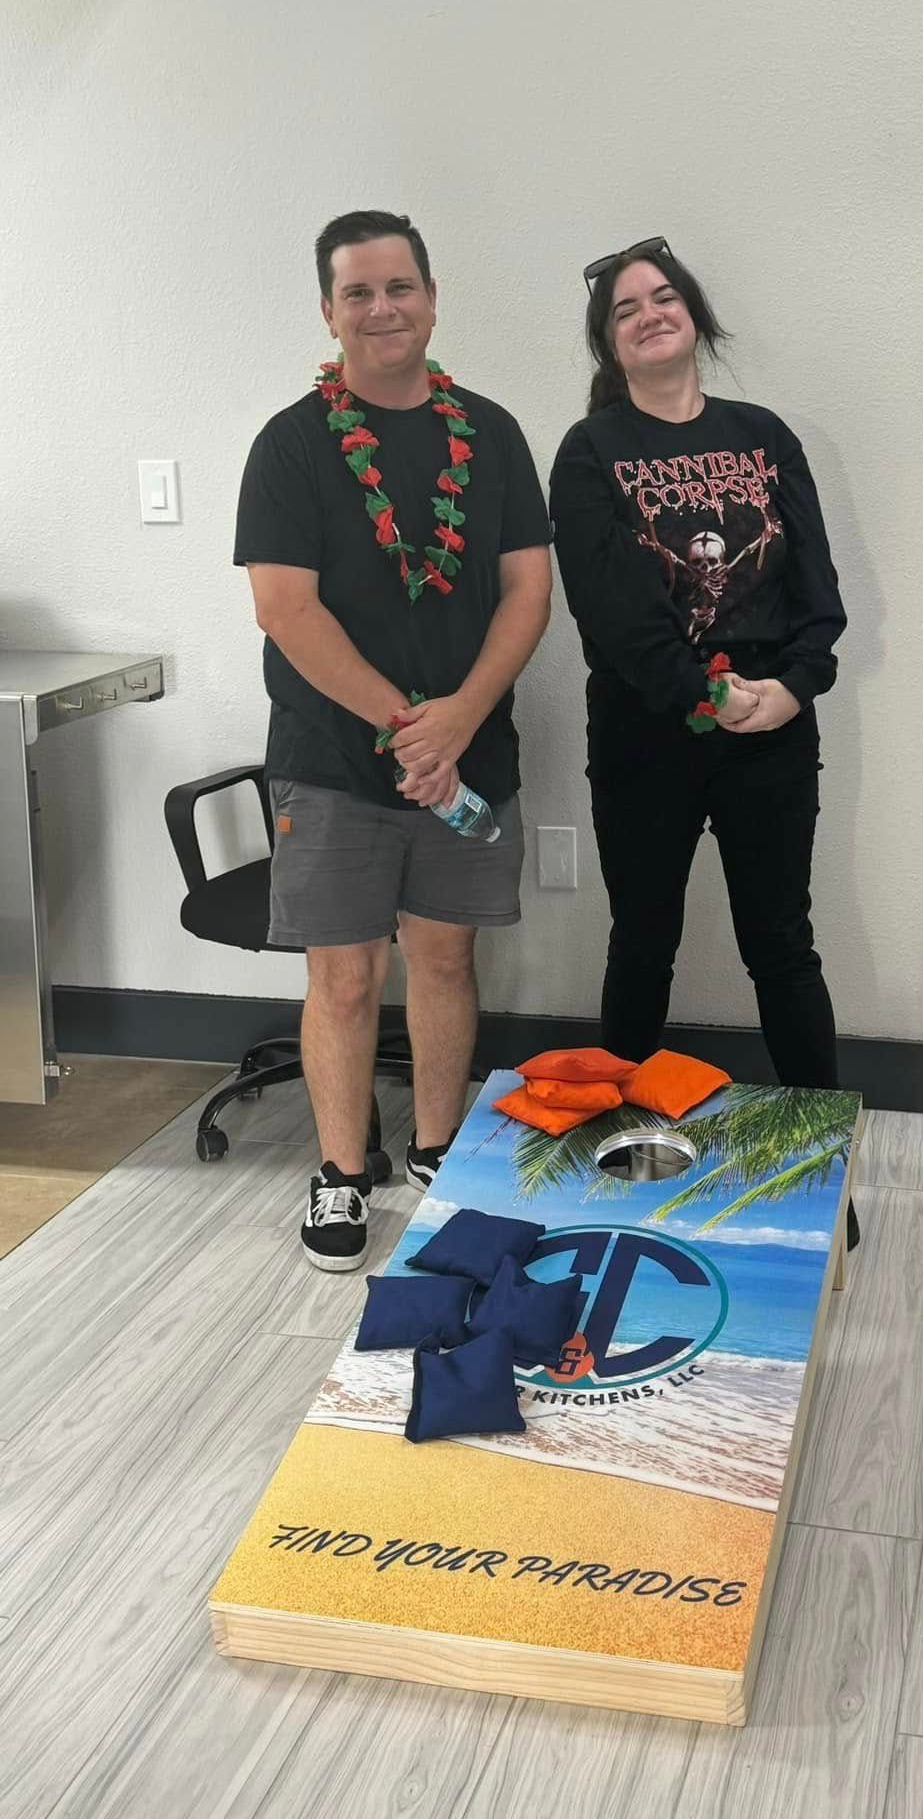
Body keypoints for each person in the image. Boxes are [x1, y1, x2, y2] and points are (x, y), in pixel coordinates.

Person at [235, 211, 551, 1271]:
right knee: (345, 977)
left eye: (400, 286)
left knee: (448, 956)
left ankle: (438, 1145)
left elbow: (527, 588)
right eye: (359, 292)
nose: (383, 308)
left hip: (472, 751)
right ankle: (339, 1171)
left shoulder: (492, 432)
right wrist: (407, 724)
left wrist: (459, 717)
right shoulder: (290, 443)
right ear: (329, 311)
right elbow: (286, 608)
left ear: (431, 294)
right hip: (334, 762)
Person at [550, 236, 848, 1118]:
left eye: (663, 296)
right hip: (648, 725)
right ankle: (614, 1160)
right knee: (642, 943)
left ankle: (819, 1161)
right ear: (610, 343)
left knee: (783, 947)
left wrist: (794, 686)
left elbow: (818, 593)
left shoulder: (765, 436)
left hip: (773, 723)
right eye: (626, 308)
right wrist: (702, 693)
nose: (650, 314)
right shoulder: (590, 448)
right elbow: (608, 609)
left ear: (695, 314)